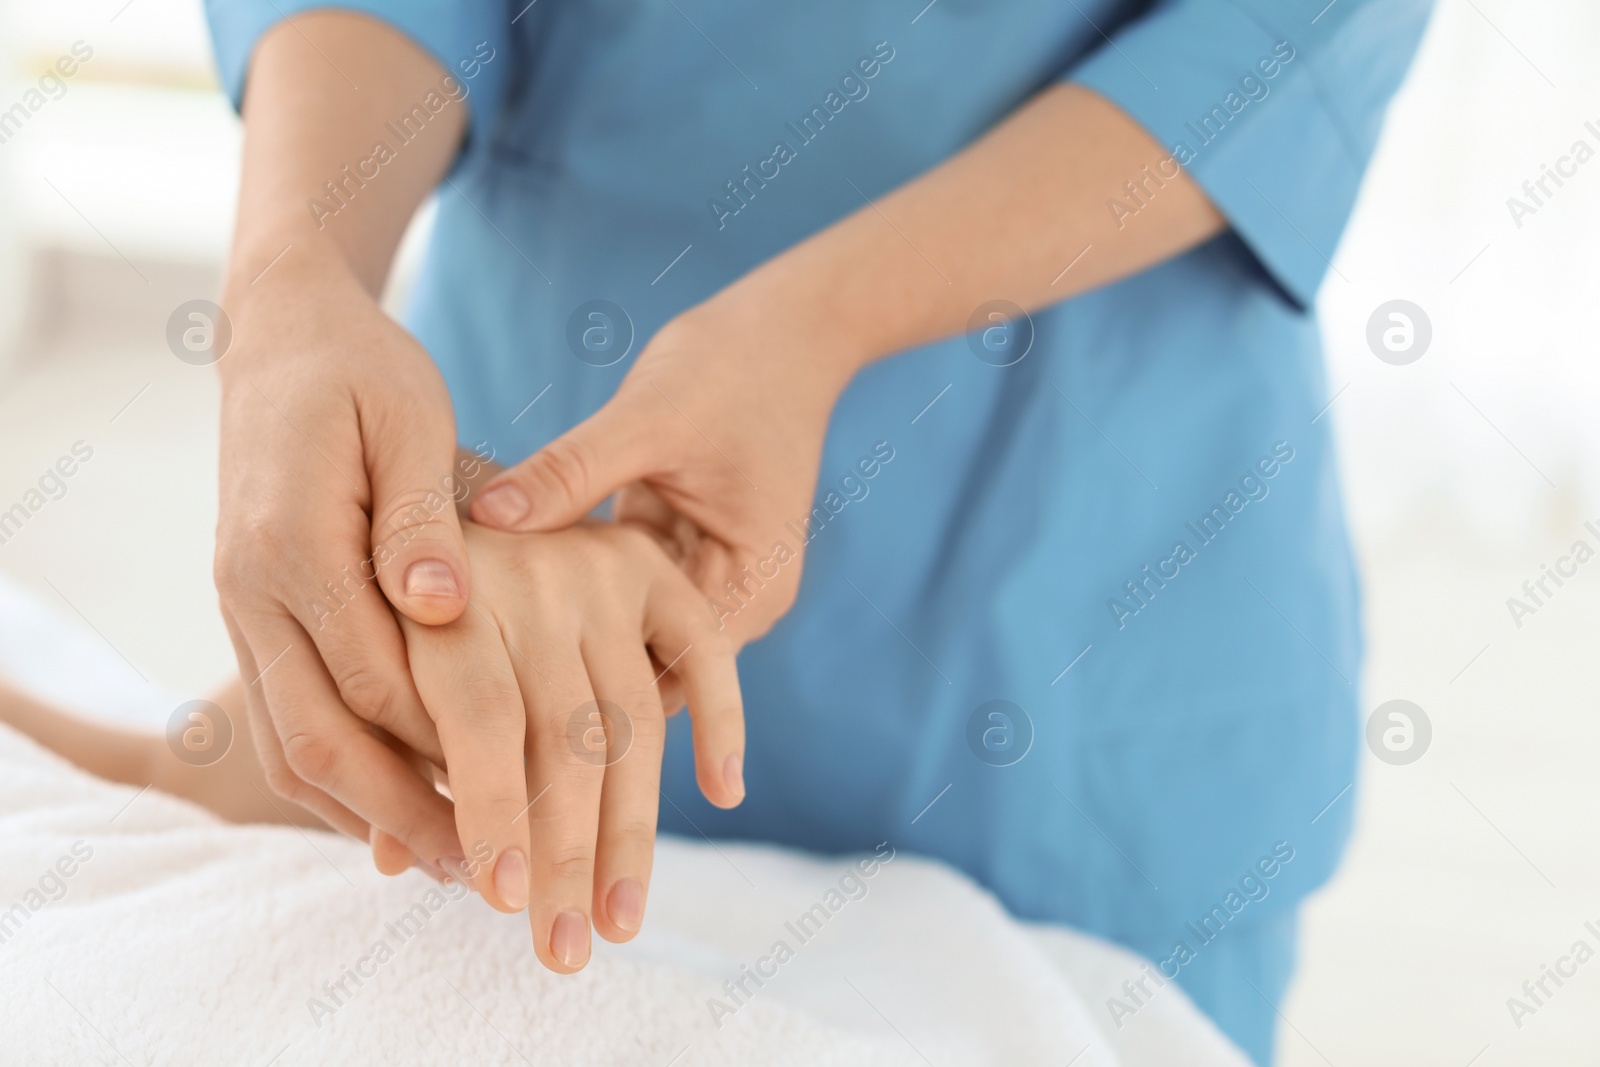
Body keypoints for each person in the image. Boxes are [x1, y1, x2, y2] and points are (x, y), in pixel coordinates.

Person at [202, 1, 1433, 1060]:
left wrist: (818, 322)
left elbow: (1273, 38)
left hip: (1084, 643)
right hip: (530, 585)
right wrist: (291, 269)